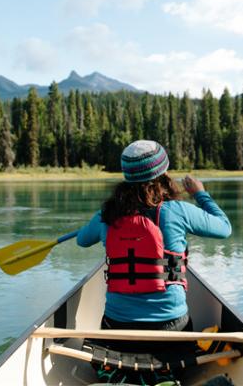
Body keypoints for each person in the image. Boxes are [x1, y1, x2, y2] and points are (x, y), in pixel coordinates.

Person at [77, 140, 231, 348]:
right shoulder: (178, 210)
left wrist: (98, 221)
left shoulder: (106, 215)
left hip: (117, 327)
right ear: (164, 173)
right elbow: (224, 228)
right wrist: (200, 194)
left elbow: (82, 240)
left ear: (126, 176)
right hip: (172, 328)